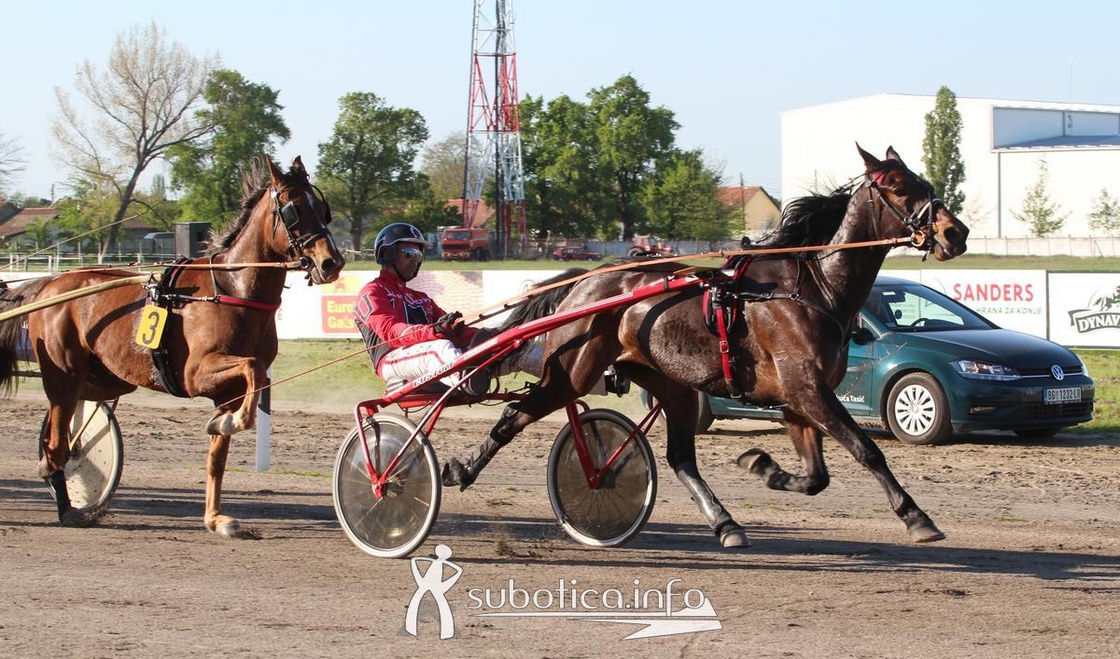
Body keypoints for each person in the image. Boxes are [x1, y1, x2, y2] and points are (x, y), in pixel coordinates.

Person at [354, 222, 489, 396]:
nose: (415, 261)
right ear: (388, 254)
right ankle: (466, 380)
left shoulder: (422, 298)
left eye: (418, 255)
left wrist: (490, 336)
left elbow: (453, 331)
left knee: (489, 344)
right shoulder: (373, 291)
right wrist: (434, 330)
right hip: (392, 360)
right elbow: (391, 332)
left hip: (425, 356)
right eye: (409, 254)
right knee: (439, 348)